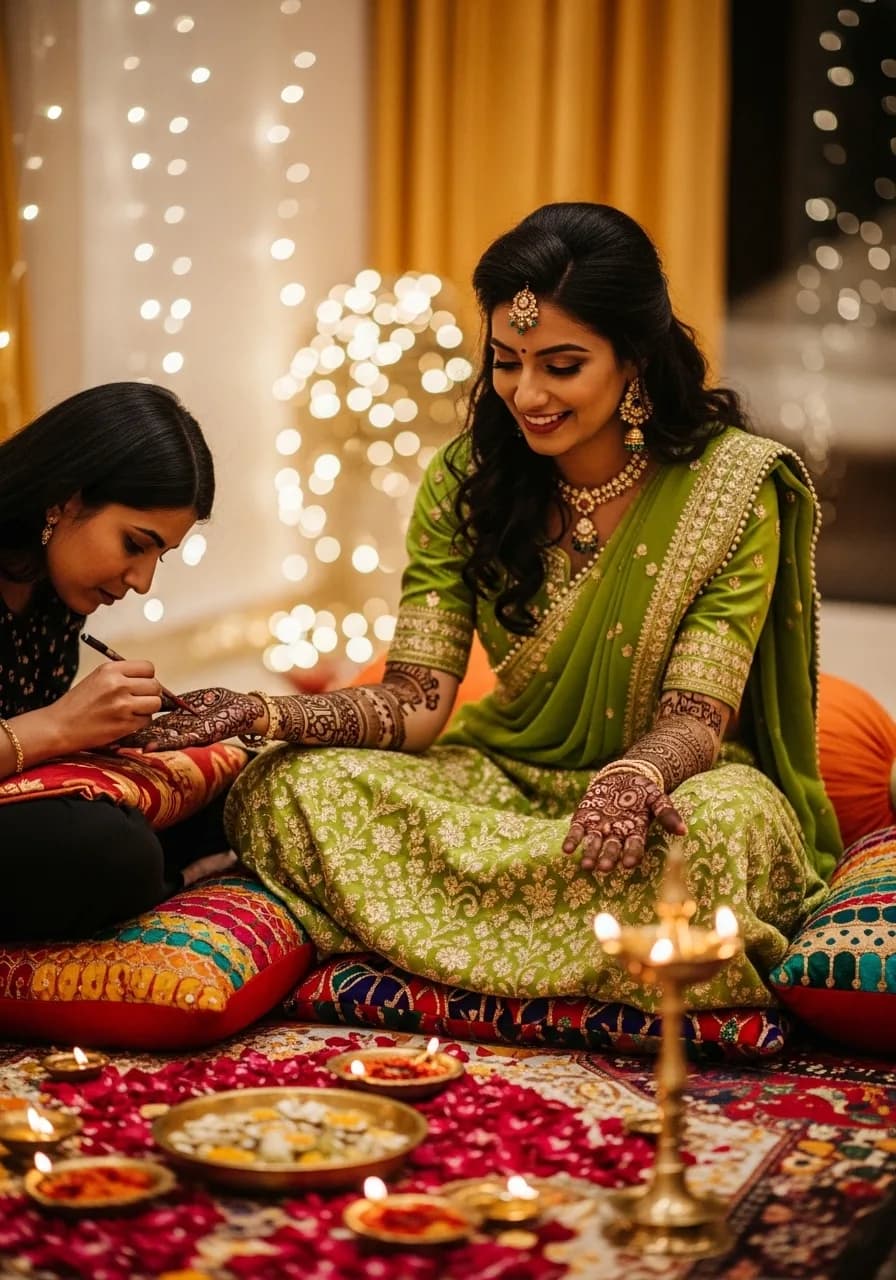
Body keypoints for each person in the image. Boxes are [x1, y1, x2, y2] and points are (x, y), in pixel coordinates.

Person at [133, 203, 842, 1012]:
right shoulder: (466, 484)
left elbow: (697, 714)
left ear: (634, 359)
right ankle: (593, 957)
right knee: (288, 787)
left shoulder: (732, 487)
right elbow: (417, 701)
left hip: (670, 792)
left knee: (718, 834)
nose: (526, 393)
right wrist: (264, 711)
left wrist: (634, 777)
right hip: (502, 780)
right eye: (507, 361)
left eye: (562, 365)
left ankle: (422, 942)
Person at [0, 382, 233, 943]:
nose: (142, 581)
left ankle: (159, 875)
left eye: (159, 556)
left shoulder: (49, 590)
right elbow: (39, 731)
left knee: (230, 790)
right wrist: (58, 726)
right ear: (67, 498)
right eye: (135, 544)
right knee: (108, 851)